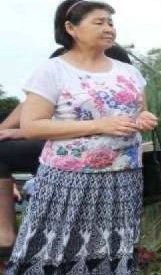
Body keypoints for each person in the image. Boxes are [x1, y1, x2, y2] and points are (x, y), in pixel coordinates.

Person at [0, 0, 156, 275]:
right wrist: (99, 124)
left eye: (111, 22)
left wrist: (143, 120)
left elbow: (138, 114)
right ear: (71, 28)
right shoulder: (53, 70)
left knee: (114, 247)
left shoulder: (129, 72)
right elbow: (34, 125)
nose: (109, 28)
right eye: (99, 22)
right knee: (54, 249)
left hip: (122, 174)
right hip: (67, 176)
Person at [0, 45, 134, 262]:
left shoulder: (113, 59)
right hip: (64, 140)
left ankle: (6, 237)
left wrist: (22, 130)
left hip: (92, 146)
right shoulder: (63, 58)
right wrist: (7, 130)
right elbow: (36, 100)